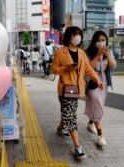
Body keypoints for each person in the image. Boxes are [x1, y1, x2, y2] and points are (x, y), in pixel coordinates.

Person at [51, 26, 104, 159]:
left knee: (68, 111)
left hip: (77, 89)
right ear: (69, 36)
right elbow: (54, 69)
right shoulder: (60, 52)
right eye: (76, 35)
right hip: (65, 89)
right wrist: (66, 68)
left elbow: (88, 69)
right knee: (70, 115)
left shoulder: (81, 53)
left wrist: (97, 80)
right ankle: (78, 148)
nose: (78, 37)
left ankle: (60, 128)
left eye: (79, 35)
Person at [84, 30, 116, 146]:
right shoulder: (88, 52)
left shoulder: (109, 51)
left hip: (104, 81)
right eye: (98, 40)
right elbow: (87, 67)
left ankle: (91, 122)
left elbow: (113, 66)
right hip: (92, 80)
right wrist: (97, 55)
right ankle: (100, 135)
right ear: (94, 41)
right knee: (97, 103)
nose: (101, 42)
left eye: (103, 40)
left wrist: (107, 55)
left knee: (99, 104)